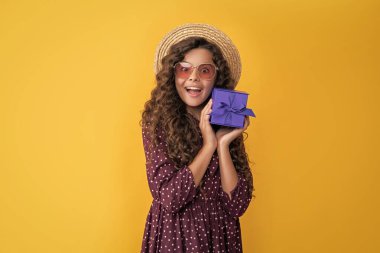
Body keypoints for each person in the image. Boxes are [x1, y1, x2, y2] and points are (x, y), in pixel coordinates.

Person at [139, 23, 256, 253]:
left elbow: (237, 205)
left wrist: (222, 143)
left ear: (216, 77)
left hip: (221, 235)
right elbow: (170, 199)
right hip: (175, 235)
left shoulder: (227, 119)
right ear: (173, 74)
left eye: (204, 70)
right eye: (184, 69)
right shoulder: (158, 122)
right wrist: (208, 144)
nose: (193, 78)